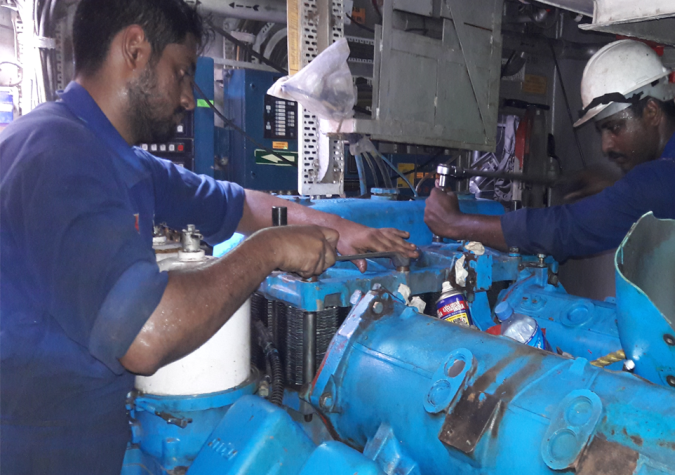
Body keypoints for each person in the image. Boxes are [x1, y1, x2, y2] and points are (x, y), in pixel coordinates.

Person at [0, 0, 417, 472]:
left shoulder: (109, 156)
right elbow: (144, 336)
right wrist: (271, 249)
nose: (186, 98)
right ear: (135, 49)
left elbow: (234, 203)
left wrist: (338, 230)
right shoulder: (58, 158)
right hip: (39, 451)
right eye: (180, 72)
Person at [425, 39, 675, 337]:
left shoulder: (657, 183)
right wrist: (618, 185)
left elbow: (567, 230)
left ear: (653, 112)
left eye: (614, 127)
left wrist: (456, 224)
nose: (606, 146)